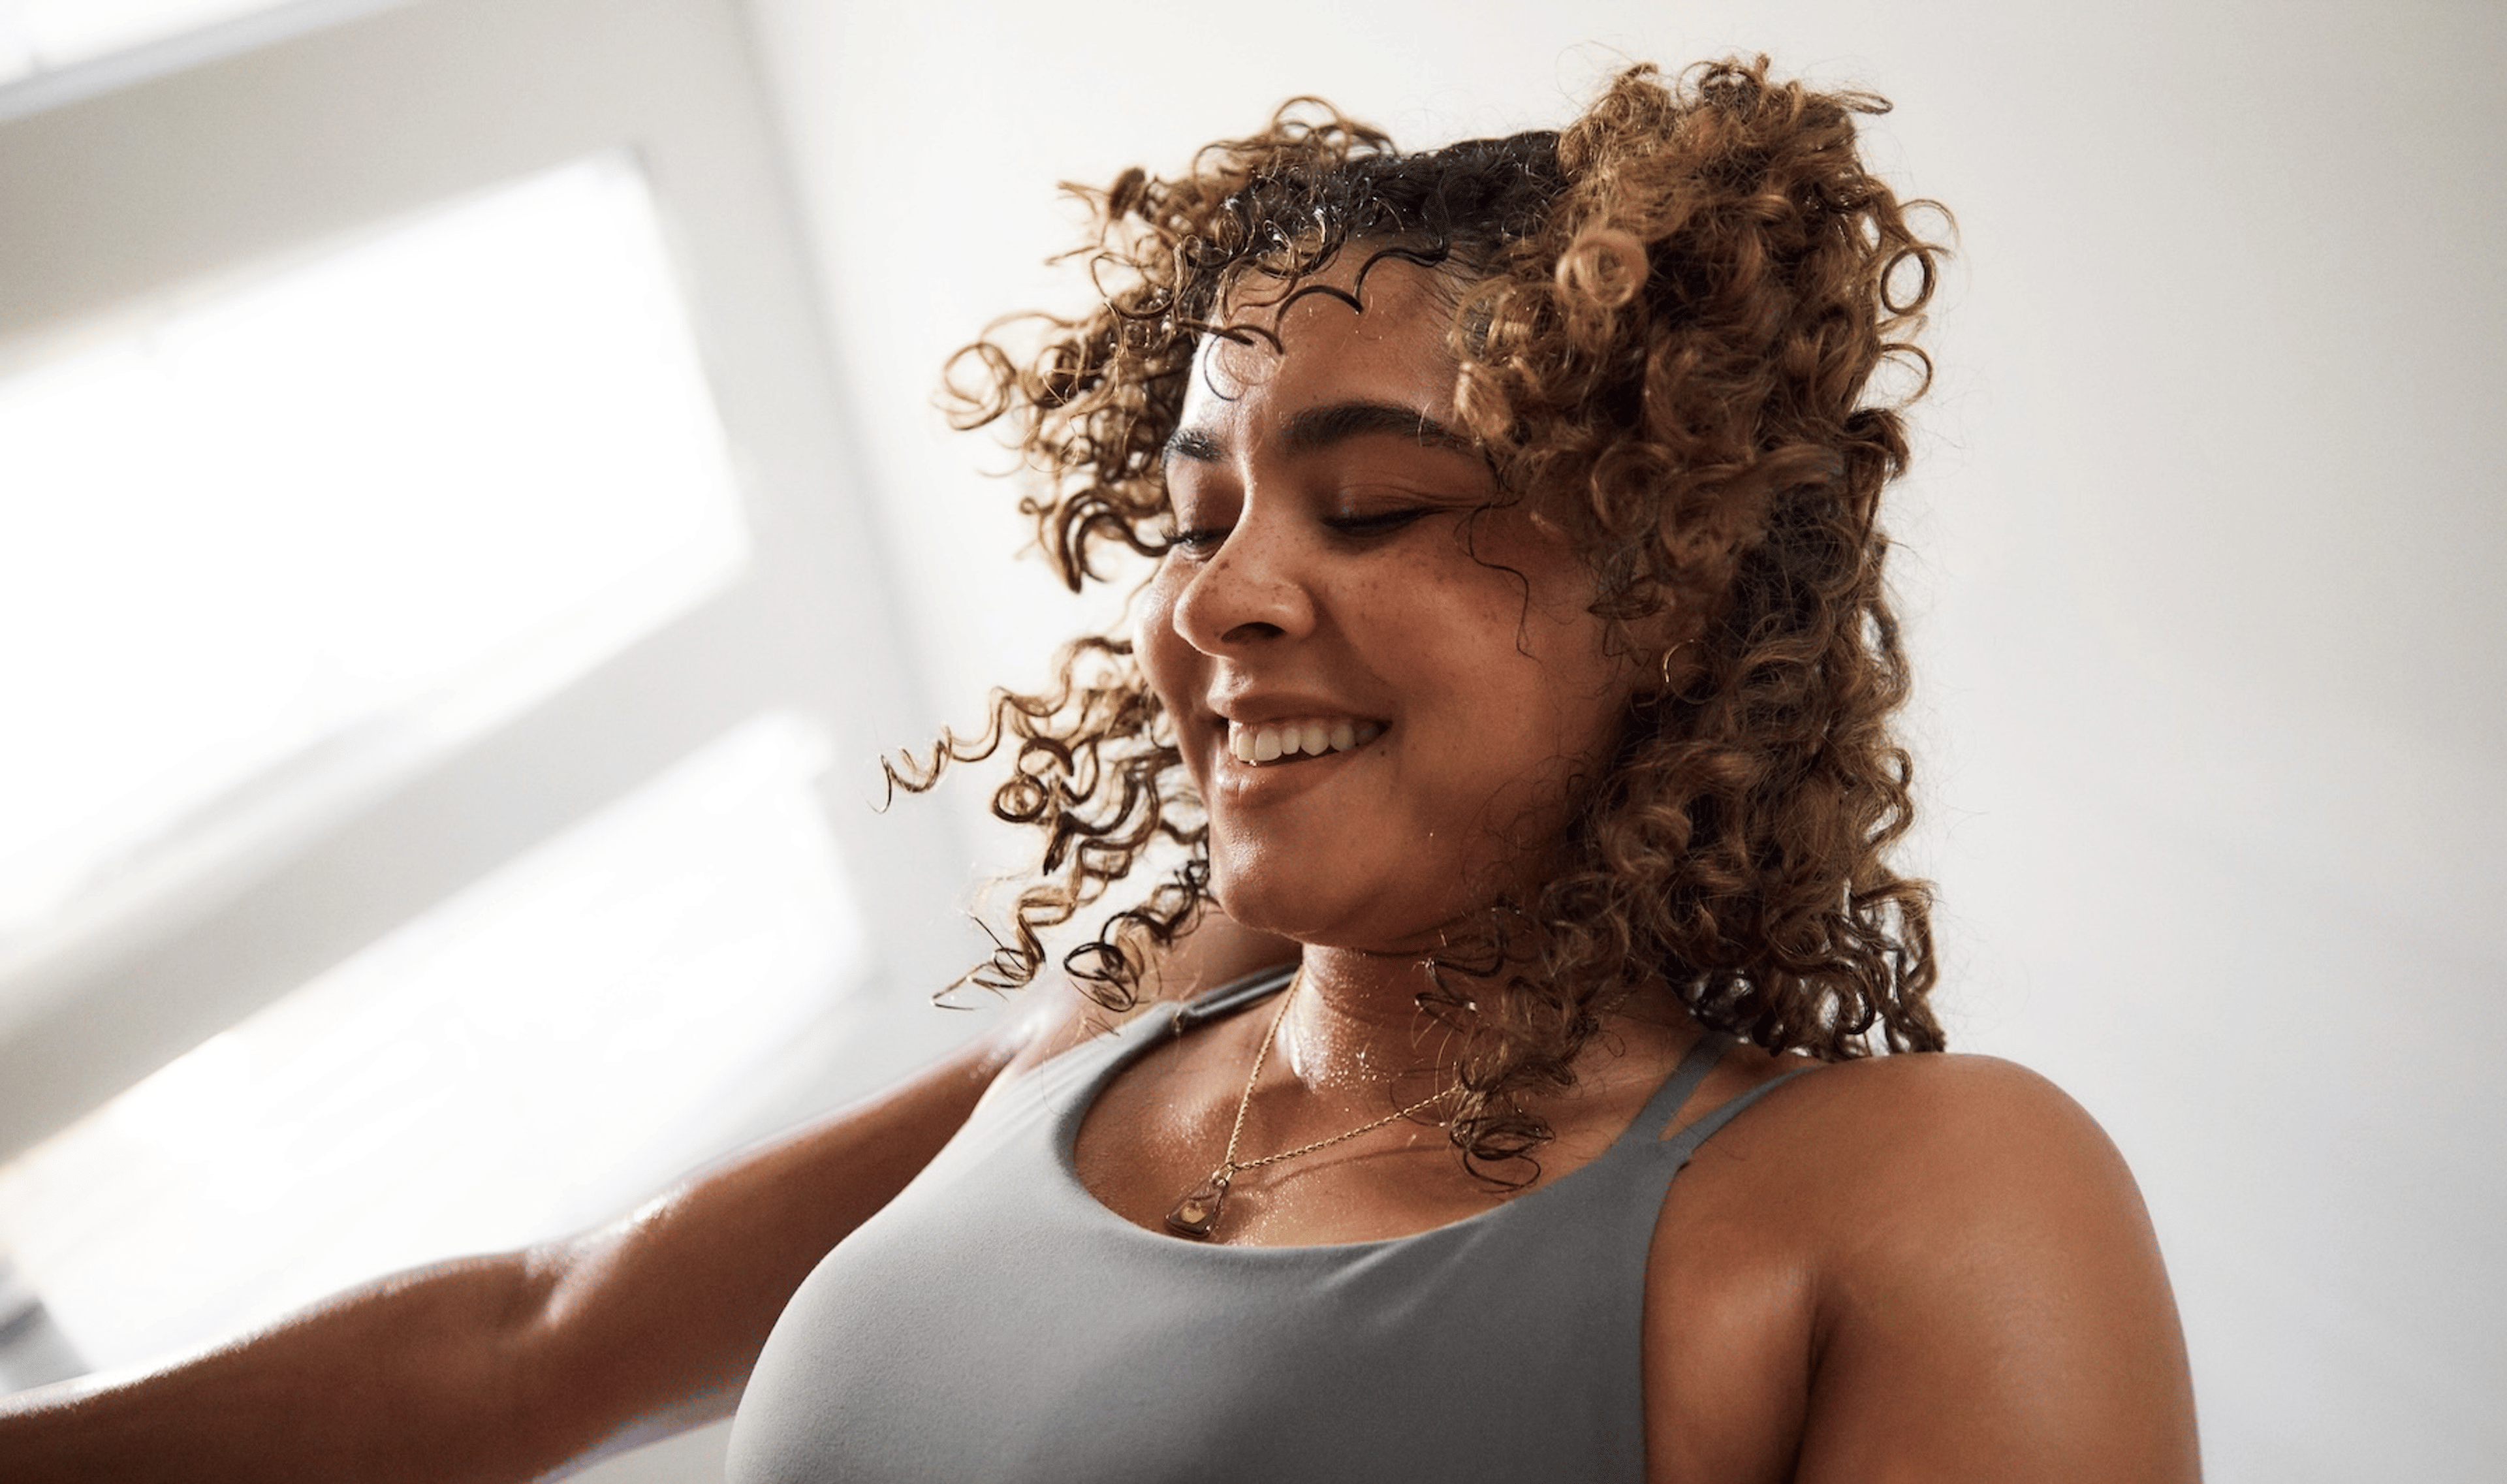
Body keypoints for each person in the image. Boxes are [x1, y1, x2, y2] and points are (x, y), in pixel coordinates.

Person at [0, 57, 2198, 1481]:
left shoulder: (1910, 1192)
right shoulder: (1097, 1047)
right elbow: (527, 1351)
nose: (1213, 604)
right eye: (1194, 518)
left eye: (1378, 500)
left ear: (1680, 601)